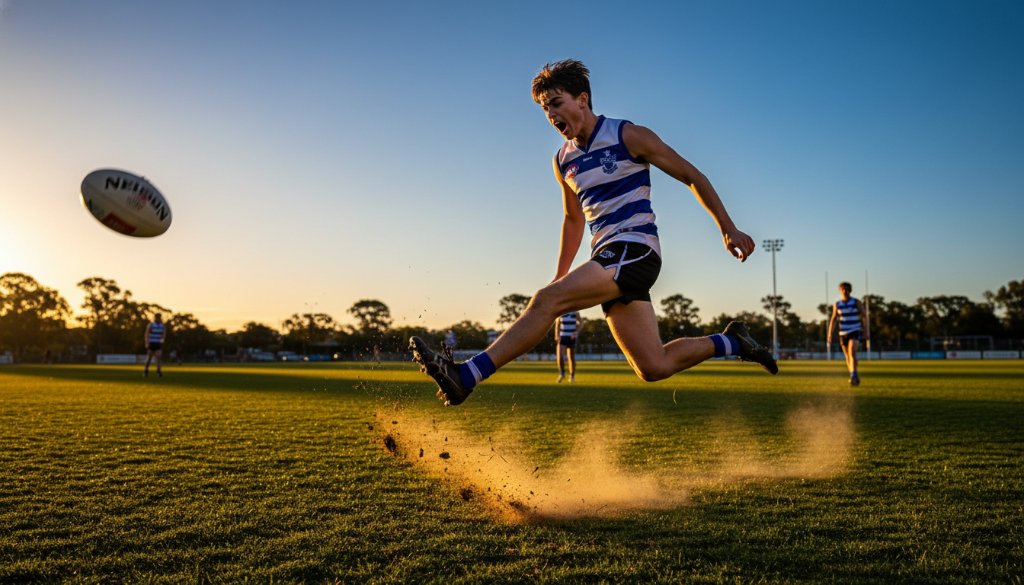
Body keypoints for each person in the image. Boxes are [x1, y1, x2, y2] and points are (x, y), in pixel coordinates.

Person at [410, 59, 777, 406]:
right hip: (607, 257)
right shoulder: (563, 160)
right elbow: (573, 220)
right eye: (545, 109)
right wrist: (560, 276)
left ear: (582, 99)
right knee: (653, 366)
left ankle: (467, 376)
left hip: (636, 248)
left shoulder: (628, 135)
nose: (551, 114)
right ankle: (732, 342)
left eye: (556, 103)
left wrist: (727, 228)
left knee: (544, 301)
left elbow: (691, 176)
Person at [827, 282, 869, 386]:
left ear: (850, 290)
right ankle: (853, 374)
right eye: (843, 289)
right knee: (847, 356)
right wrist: (830, 334)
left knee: (852, 352)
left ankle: (854, 374)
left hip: (854, 330)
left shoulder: (856, 302)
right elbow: (833, 320)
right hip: (843, 332)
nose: (845, 291)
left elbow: (864, 316)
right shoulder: (837, 305)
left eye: (847, 289)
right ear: (840, 291)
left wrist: (866, 331)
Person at [555, 311, 580, 383]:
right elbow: (557, 325)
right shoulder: (561, 312)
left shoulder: (575, 313)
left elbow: (581, 323)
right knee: (560, 357)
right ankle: (562, 373)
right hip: (562, 337)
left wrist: (576, 332)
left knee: (571, 357)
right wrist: (556, 335)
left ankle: (572, 376)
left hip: (572, 337)